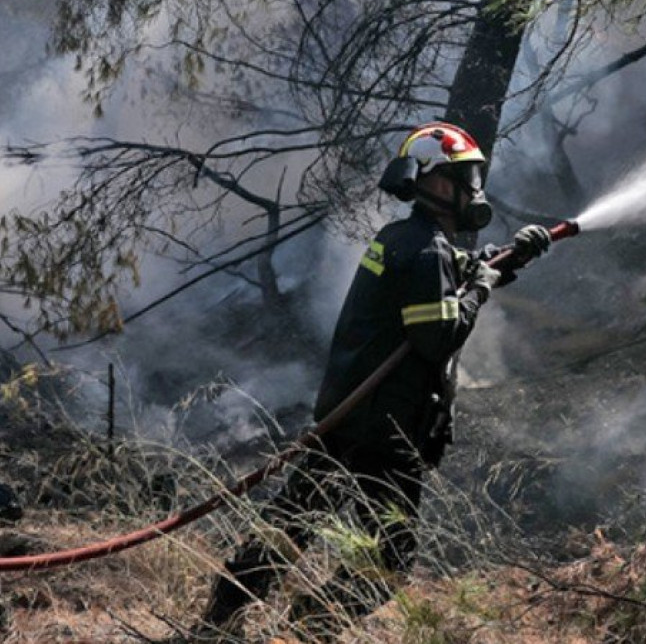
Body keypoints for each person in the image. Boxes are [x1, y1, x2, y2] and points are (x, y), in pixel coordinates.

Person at [192, 122, 552, 641]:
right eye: (464, 177)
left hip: (348, 419)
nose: (475, 189)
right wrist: (483, 290)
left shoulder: (402, 238)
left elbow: (454, 273)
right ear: (436, 182)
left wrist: (507, 259)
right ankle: (308, 631)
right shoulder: (426, 251)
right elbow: (440, 333)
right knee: (389, 559)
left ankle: (217, 622)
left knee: (291, 524)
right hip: (386, 435)